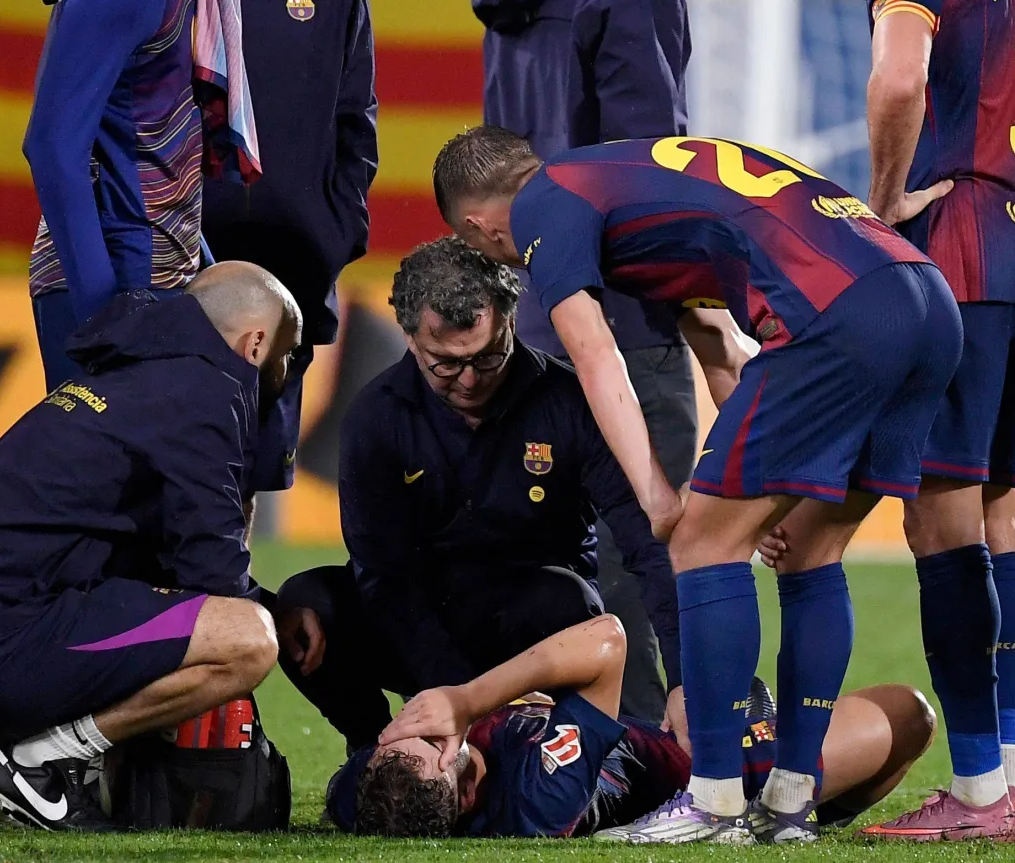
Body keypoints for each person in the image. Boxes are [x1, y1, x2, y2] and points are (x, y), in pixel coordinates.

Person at [432, 126, 962, 842]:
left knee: (699, 546)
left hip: (834, 314)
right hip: (921, 298)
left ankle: (713, 804)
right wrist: (764, 481)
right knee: (811, 550)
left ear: (477, 227)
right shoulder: (625, 182)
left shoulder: (541, 207)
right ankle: (789, 802)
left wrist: (657, 495)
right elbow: (719, 343)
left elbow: (595, 356)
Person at [0, 263, 300, 832]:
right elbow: (214, 573)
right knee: (248, 639)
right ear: (256, 344)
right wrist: (278, 614)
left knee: (162, 598)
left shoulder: (129, 366)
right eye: (285, 354)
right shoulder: (208, 388)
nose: (282, 370)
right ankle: (40, 761)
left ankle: (9, 746)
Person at [274, 237, 681, 753]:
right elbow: (385, 580)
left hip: (535, 624)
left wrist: (686, 682)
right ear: (410, 339)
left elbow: (647, 545)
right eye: (445, 364)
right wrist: (453, 696)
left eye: (488, 357)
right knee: (304, 603)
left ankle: (558, 750)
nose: (469, 381)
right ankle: (381, 750)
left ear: (511, 322)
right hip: (419, 619)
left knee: (567, 596)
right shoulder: (375, 420)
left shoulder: (571, 402)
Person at [473, 0, 697, 722]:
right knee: (647, 549)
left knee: (548, 552)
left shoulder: (506, 13)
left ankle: (550, 744)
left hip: (534, 316)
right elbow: (649, 169)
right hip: (623, 315)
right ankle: (636, 752)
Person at [845, 0, 1014, 839]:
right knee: (1005, 516)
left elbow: (899, 78)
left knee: (942, 523)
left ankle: (982, 791)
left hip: (962, 248)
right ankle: (1010, 774)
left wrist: (881, 204)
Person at [327, 615, 937, 841]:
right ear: (463, 794)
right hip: (708, 775)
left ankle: (806, 803)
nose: (413, 726)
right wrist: (466, 700)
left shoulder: (379, 793)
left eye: (391, 742)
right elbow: (607, 640)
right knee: (910, 714)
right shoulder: (538, 800)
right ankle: (771, 818)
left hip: (647, 734)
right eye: (429, 741)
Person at [25, 0, 258, 389]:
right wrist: (105, 323)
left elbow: (160, 139)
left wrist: (202, 267)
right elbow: (52, 148)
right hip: (117, 287)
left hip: (159, 278)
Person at [202, 0, 377, 494]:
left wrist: (332, 233)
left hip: (295, 260)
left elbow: (356, 118)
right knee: (181, 456)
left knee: (255, 467)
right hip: (192, 251)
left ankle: (233, 553)